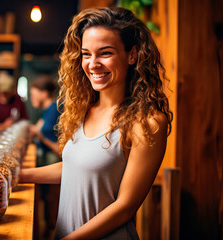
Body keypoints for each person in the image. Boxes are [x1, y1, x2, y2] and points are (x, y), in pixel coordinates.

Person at [20, 7, 173, 240]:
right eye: (86, 54)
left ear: (132, 55)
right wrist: (16, 176)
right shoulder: (82, 110)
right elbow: (77, 168)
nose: (92, 64)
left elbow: (125, 207)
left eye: (105, 53)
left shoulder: (147, 123)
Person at [29, 74, 61, 239]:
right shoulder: (48, 110)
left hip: (54, 160)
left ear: (44, 93)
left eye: (34, 94)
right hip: (46, 158)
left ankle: (52, 230)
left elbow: (59, 144)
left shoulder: (55, 108)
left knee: (52, 199)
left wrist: (39, 135)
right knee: (47, 198)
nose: (32, 97)